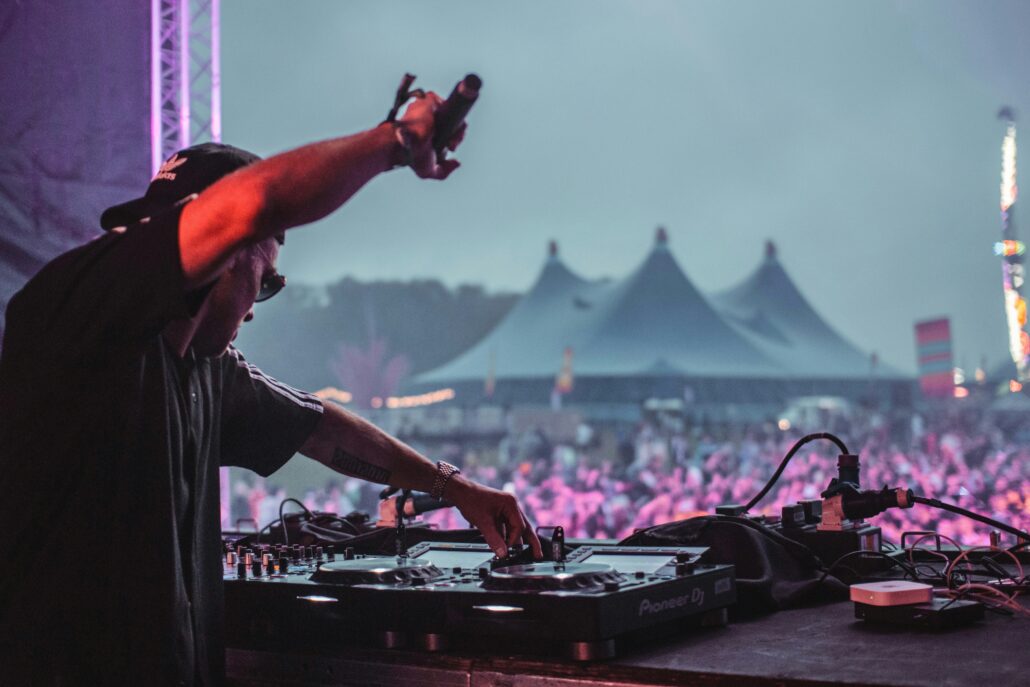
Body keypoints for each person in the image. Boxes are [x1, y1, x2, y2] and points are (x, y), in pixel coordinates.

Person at [0, 91, 541, 685]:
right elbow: (253, 202)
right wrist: (396, 141)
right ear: (223, 252)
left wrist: (453, 487)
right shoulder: (82, 309)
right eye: (264, 281)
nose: (256, 310)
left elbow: (319, 427)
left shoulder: (207, 370)